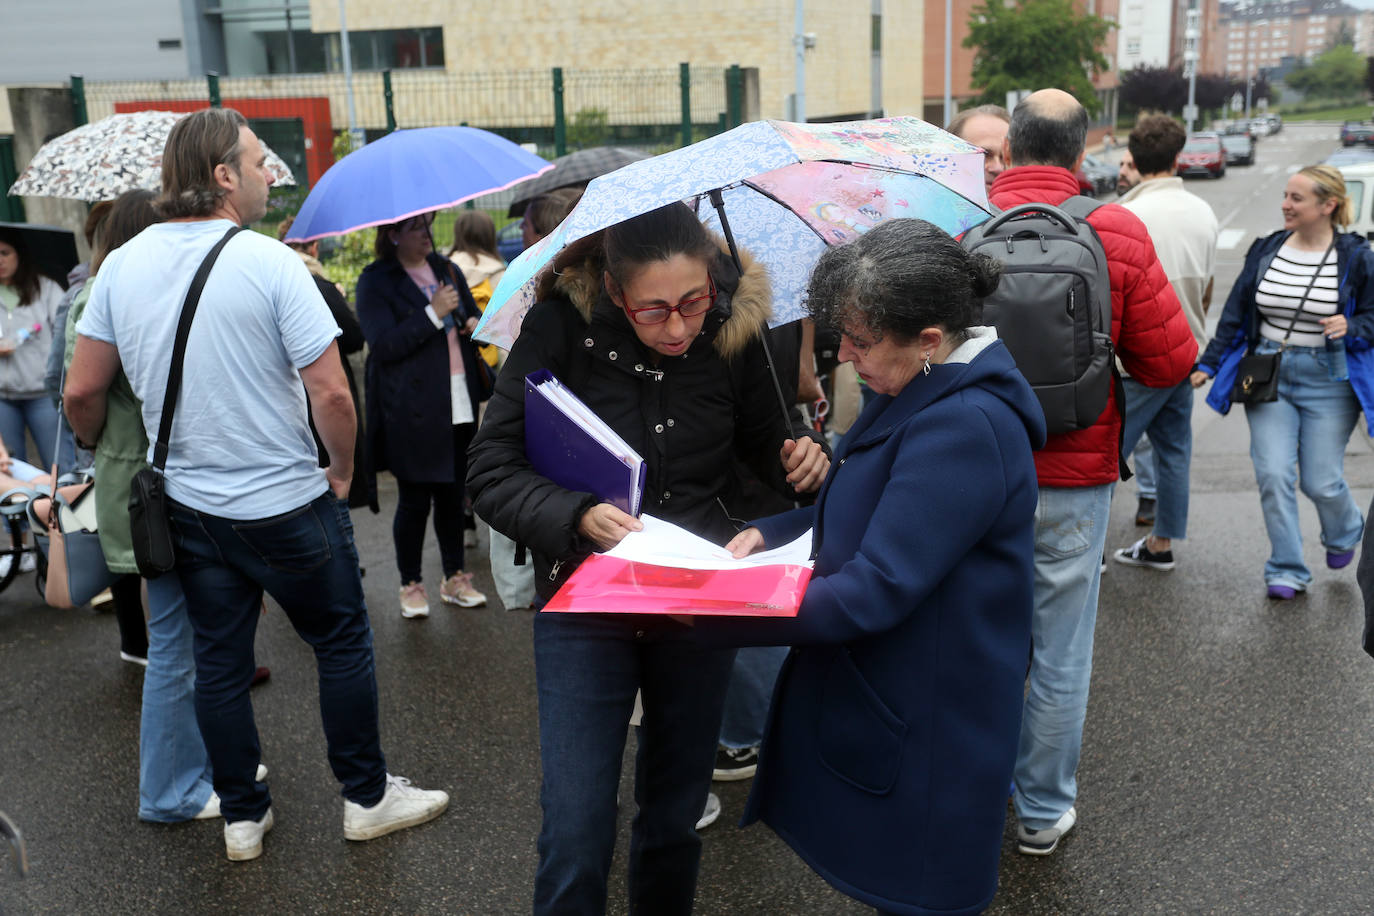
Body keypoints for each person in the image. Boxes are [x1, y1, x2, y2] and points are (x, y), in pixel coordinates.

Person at [65, 107, 448, 862]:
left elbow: (83, 390)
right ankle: (366, 798)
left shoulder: (123, 266)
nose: (271, 173)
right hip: (284, 500)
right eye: (258, 161)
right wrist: (341, 469)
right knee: (339, 642)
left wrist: (91, 439)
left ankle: (243, 816)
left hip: (188, 508)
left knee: (218, 660)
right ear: (221, 175)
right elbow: (332, 393)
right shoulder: (272, 263)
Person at [467, 201, 829, 915]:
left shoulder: (732, 327)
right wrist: (574, 515)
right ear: (612, 290)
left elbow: (768, 447)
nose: (679, 326)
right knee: (576, 828)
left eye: (694, 302)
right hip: (586, 599)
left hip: (697, 600)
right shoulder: (557, 330)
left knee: (673, 819)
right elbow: (489, 471)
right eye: (654, 310)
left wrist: (804, 460)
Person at [693, 218, 1044, 915]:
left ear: (930, 340)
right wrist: (773, 532)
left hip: (931, 717)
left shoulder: (963, 425)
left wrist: (717, 610)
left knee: (917, 894)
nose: (844, 354)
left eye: (858, 340)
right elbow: (862, 506)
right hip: (899, 692)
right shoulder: (918, 386)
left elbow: (875, 590)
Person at [990, 89, 1196, 855]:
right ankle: (1043, 813)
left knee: (982, 639)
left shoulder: (959, 229)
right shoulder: (1114, 230)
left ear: (1008, 152)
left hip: (982, 475)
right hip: (1073, 481)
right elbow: (1171, 360)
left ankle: (979, 789)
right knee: (1062, 651)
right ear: (1083, 157)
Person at [1192, 165, 1374, 599]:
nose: (1284, 205)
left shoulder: (1357, 257)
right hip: (1268, 371)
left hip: (1329, 377)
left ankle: (1346, 528)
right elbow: (1236, 312)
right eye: (1285, 196)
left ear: (1328, 205)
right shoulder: (1267, 249)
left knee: (1320, 480)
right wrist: (1210, 363)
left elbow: (1372, 317)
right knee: (1273, 472)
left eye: (1296, 198)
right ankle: (1287, 567)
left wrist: (1352, 325)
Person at [356, 211, 490, 618]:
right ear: (393, 233)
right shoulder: (375, 281)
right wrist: (432, 314)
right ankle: (410, 583)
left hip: (458, 397)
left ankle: (455, 577)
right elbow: (383, 347)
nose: (427, 235)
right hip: (411, 408)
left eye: (428, 226)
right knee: (414, 499)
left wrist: (470, 321)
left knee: (452, 494)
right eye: (416, 228)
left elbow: (467, 314)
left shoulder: (445, 268)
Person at [1111, 113, 1219, 572]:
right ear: (1178, 158)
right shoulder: (1203, 211)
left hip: (1134, 363)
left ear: (1133, 159)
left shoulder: (1124, 216)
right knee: (1174, 451)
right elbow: (1208, 287)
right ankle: (1162, 543)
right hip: (1184, 352)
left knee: (1104, 457)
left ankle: (1085, 551)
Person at [485, 193, 581, 612]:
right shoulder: (541, 304)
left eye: (526, 225)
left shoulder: (545, 298)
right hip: (557, 518)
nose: (520, 233)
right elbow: (494, 461)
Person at [277, 215, 376, 513]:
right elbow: (355, 338)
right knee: (333, 494)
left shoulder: (270, 279)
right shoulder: (318, 285)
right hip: (320, 404)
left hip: (287, 404)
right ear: (315, 247)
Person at [0, 226, 65, 576]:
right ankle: (20, 546)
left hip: (42, 393)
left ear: (19, 255)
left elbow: (64, 337)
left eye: (4, 253)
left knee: (57, 466)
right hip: (2, 396)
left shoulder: (46, 289)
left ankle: (64, 537)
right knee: (8, 470)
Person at [946, 104, 1010, 196]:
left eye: (1005, 158)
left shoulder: (1032, 208)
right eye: (984, 155)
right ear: (951, 158)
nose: (998, 168)